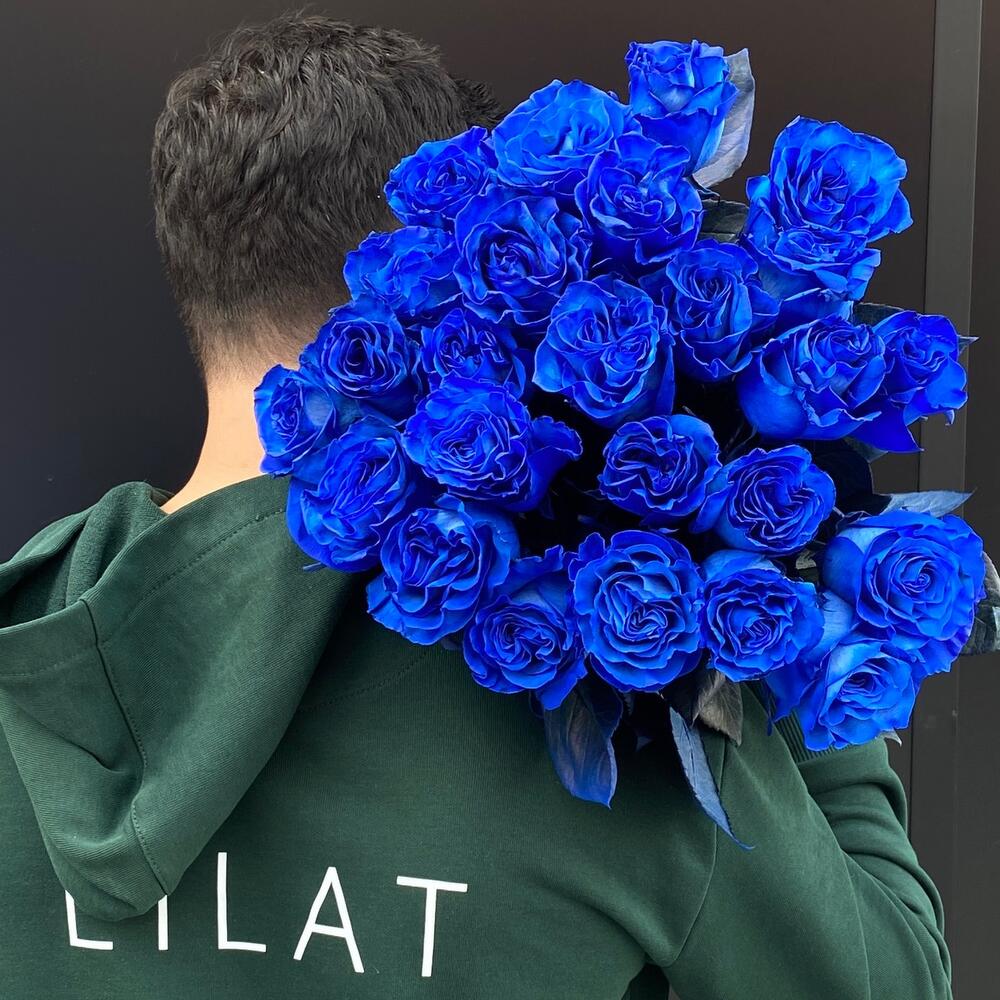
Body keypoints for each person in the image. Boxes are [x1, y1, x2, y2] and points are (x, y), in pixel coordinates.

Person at [0, 12, 951, 1000]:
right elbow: (891, 980)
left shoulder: (23, 644)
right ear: (449, 256)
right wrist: (794, 628)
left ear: (191, 267)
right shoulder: (610, 711)